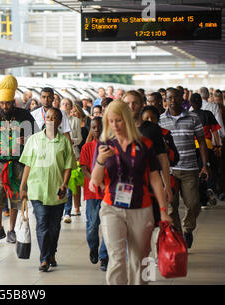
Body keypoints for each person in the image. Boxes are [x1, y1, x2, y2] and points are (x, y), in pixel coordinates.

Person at [89, 100, 173, 285]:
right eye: (110, 121)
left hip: (141, 208)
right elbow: (94, 182)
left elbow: (155, 179)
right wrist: (101, 161)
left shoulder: (145, 144)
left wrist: (164, 210)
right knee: (117, 258)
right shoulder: (104, 144)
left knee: (141, 259)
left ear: (126, 119)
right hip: (112, 208)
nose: (114, 126)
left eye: (118, 120)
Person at [0, 75, 37, 244]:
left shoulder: (24, 114)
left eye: (8, 103)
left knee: (15, 197)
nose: (5, 106)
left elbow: (37, 135)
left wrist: (26, 139)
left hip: (18, 162)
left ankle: (11, 229)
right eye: (2, 103)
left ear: (13, 101)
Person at [19, 107, 73, 272]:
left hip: (57, 190)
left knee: (54, 226)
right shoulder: (34, 139)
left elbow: (68, 166)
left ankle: (51, 253)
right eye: (48, 117)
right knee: (42, 223)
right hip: (37, 189)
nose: (50, 120)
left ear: (59, 122)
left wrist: (64, 184)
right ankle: (44, 259)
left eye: (54, 117)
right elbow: (27, 165)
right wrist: (23, 186)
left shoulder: (64, 142)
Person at [159, 88, 209, 249]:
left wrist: (205, 165)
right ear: (165, 100)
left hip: (190, 169)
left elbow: (201, 142)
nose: (172, 101)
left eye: (175, 97)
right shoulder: (160, 120)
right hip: (169, 171)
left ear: (182, 99)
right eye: (169, 98)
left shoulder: (193, 118)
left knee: (193, 203)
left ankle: (188, 229)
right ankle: (179, 235)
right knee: (172, 206)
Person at [123, 90, 173, 224]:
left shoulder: (152, 129)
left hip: (150, 186)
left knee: (150, 227)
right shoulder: (118, 128)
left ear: (142, 104)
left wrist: (166, 185)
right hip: (124, 187)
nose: (131, 106)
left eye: (135, 103)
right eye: (127, 103)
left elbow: (162, 158)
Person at [79, 117, 108, 272]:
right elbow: (84, 168)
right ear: (90, 129)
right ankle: (93, 247)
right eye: (94, 127)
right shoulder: (87, 147)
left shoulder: (110, 146)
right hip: (91, 191)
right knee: (92, 225)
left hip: (107, 192)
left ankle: (104, 256)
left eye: (100, 127)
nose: (97, 130)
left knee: (108, 226)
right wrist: (95, 181)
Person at [190, 93, 221, 207]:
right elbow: (215, 132)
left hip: (193, 148)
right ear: (201, 103)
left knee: (198, 172)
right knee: (210, 168)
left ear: (191, 104)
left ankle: (203, 200)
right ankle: (210, 188)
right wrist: (218, 146)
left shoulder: (189, 115)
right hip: (207, 146)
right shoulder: (208, 114)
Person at [60, 98, 83, 222]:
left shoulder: (75, 121)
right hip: (58, 155)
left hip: (72, 153)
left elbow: (79, 138)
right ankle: (59, 209)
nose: (65, 106)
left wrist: (72, 141)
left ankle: (67, 212)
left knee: (69, 184)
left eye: (67, 104)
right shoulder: (56, 119)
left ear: (70, 106)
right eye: (63, 104)